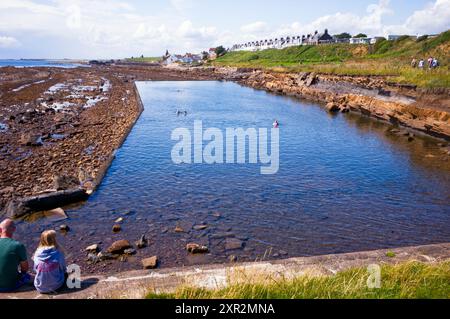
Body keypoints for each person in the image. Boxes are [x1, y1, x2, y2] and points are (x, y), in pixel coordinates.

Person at [0, 219, 31, 292]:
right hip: (9, 286)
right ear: (14, 229)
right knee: (27, 276)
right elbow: (25, 268)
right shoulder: (18, 246)